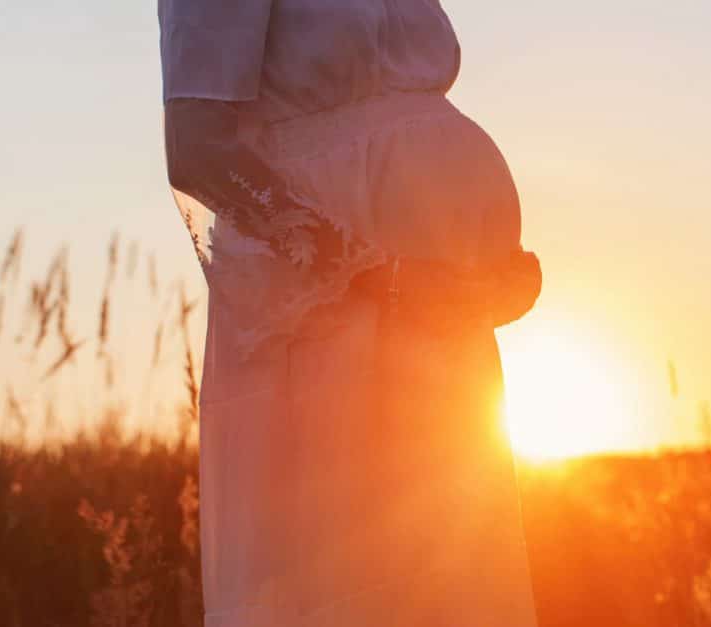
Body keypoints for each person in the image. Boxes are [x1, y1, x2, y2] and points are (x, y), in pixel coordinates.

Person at [157, 1, 543, 625]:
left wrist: (493, 270)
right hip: (331, 323)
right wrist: (376, 276)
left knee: (449, 581)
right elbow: (198, 149)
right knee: (360, 582)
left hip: (439, 333)